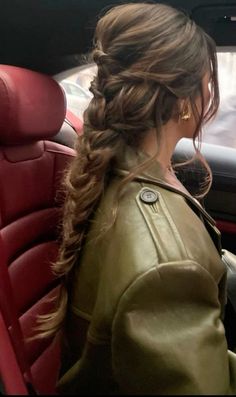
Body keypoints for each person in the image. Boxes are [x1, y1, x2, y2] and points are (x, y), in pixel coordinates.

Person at [38, 2, 236, 394]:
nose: (211, 92)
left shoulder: (122, 168)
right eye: (207, 80)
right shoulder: (167, 267)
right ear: (181, 97)